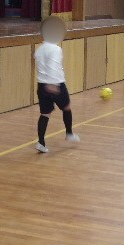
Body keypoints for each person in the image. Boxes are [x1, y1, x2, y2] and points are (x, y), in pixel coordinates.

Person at [34, 17, 80, 153]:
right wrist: (53, 84)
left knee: (45, 114)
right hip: (55, 84)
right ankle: (69, 134)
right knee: (66, 108)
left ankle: (41, 142)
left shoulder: (39, 49)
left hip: (41, 86)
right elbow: (52, 66)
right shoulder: (56, 49)